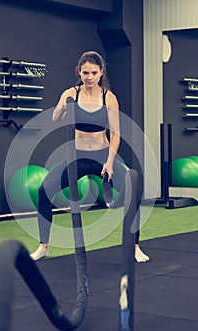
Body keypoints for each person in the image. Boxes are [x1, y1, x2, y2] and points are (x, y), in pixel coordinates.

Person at [30, 51, 149, 263]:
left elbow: (115, 134)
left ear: (101, 72)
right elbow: (56, 119)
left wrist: (110, 162)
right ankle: (43, 246)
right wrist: (62, 107)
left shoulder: (108, 97)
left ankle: (135, 246)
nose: (89, 77)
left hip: (103, 156)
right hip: (75, 156)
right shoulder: (71, 93)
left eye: (94, 73)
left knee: (133, 192)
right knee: (43, 192)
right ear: (80, 72)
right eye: (85, 73)